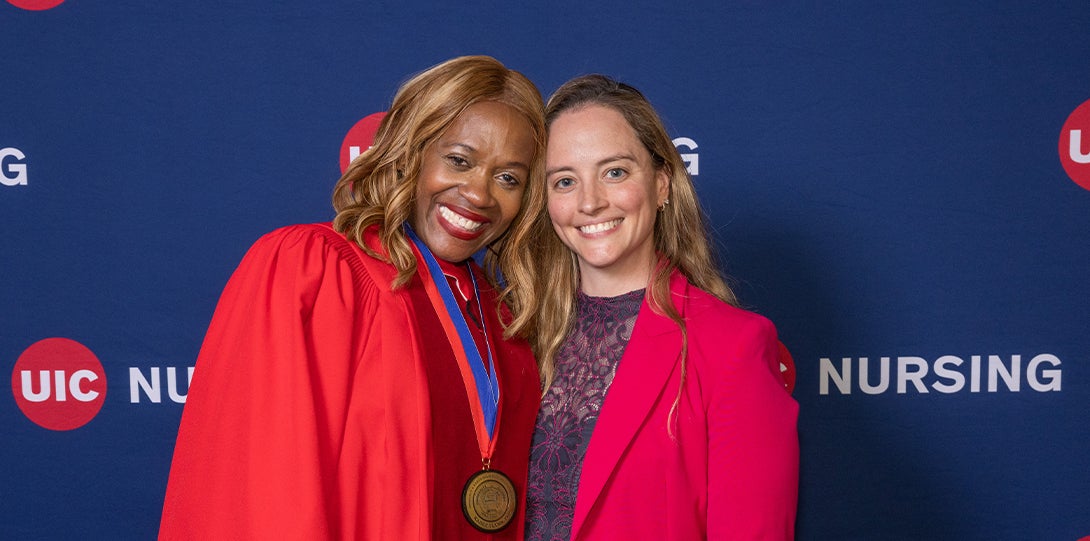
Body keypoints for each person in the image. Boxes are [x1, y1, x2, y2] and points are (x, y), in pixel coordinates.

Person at [159, 55, 546, 540]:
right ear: (411, 152)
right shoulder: (314, 273)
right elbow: (258, 497)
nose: (480, 193)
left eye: (508, 178)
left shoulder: (503, 322)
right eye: (459, 160)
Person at [507, 75, 799, 540]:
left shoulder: (733, 346)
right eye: (565, 181)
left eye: (615, 172)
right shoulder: (515, 336)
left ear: (662, 183)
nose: (590, 202)